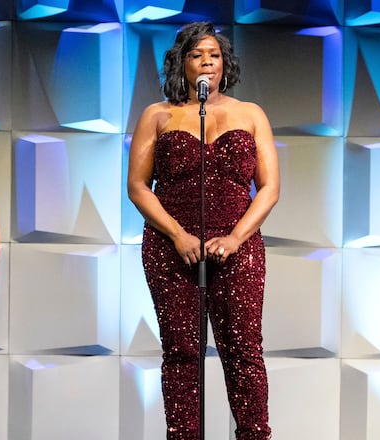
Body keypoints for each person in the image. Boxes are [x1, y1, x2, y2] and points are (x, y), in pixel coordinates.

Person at [127, 22, 279, 440]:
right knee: (181, 352)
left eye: (214, 54)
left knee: (244, 351)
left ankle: (253, 434)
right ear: (182, 64)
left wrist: (235, 237)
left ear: (225, 63)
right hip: (170, 245)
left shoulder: (251, 114)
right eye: (197, 55)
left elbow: (269, 189)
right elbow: (138, 187)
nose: (207, 61)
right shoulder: (157, 115)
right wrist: (177, 234)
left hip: (238, 244)